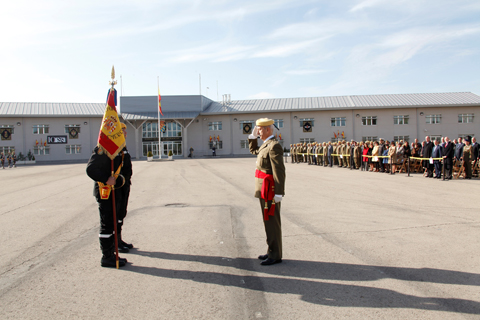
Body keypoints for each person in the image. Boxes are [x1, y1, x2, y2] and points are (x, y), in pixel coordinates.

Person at [86, 123, 132, 268]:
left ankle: (112, 253)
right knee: (107, 225)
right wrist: (106, 178)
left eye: (124, 131)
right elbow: (91, 169)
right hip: (105, 192)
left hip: (116, 190)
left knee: (113, 222)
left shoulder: (118, 149)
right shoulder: (103, 148)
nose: (124, 133)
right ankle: (106, 257)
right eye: (121, 131)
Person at [248, 118, 286, 266]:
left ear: (268, 130)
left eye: (259, 129)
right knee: (267, 221)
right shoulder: (266, 145)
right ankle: (271, 250)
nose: (257, 131)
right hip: (263, 189)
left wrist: (279, 192)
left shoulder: (274, 146)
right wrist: (252, 138)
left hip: (270, 190)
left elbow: (279, 171)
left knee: (272, 222)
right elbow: (254, 151)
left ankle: (275, 255)